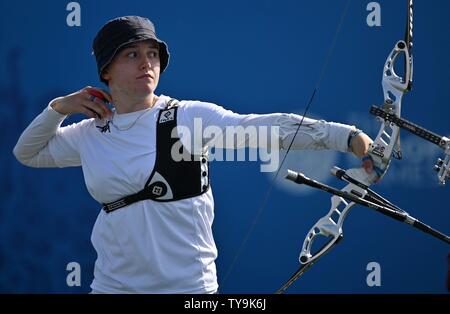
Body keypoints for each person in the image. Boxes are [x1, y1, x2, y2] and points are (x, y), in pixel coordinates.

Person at [13, 16, 374, 294]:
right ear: (106, 70)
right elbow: (27, 153)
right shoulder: (90, 132)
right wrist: (58, 107)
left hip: (188, 290)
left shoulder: (187, 118)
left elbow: (267, 127)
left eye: (152, 54)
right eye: (132, 55)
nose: (146, 63)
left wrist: (348, 137)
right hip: (113, 287)